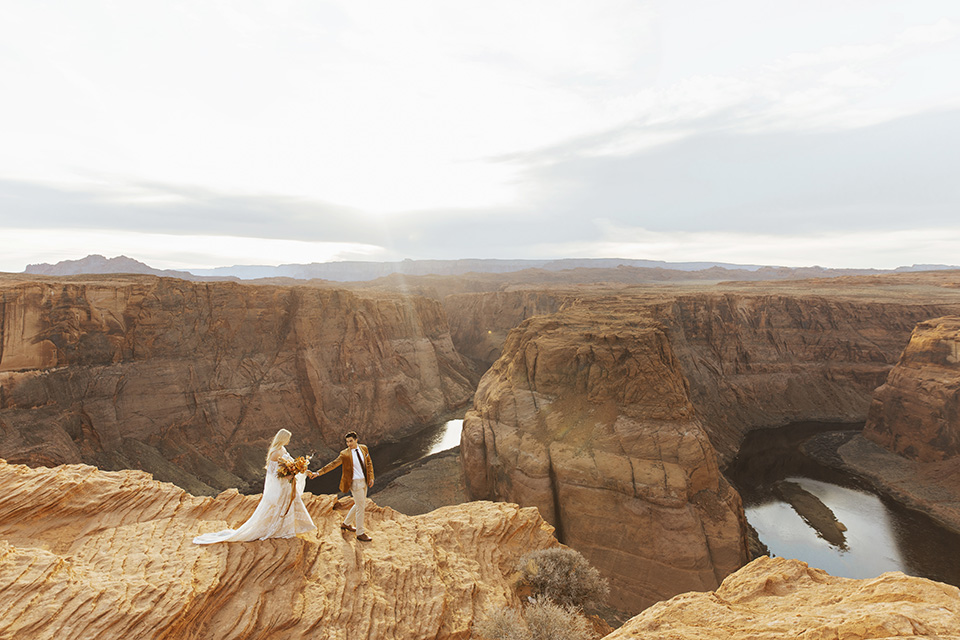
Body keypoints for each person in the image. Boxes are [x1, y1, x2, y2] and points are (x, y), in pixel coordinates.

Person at [193, 428, 315, 544]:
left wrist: (303, 470)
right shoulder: (275, 453)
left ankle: (293, 527)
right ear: (283, 438)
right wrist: (287, 476)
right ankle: (279, 529)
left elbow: (292, 463)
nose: (289, 441)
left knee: (291, 502)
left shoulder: (283, 449)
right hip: (282, 484)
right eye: (288, 438)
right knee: (281, 505)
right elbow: (272, 472)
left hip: (287, 485)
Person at [310, 431, 375, 541]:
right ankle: (360, 533)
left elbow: (368, 463)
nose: (349, 444)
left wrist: (371, 477)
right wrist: (318, 473)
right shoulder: (345, 454)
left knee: (360, 503)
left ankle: (346, 523)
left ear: (356, 440)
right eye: (347, 442)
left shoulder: (364, 448)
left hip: (364, 481)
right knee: (361, 507)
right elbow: (333, 464)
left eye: (351, 441)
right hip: (354, 483)